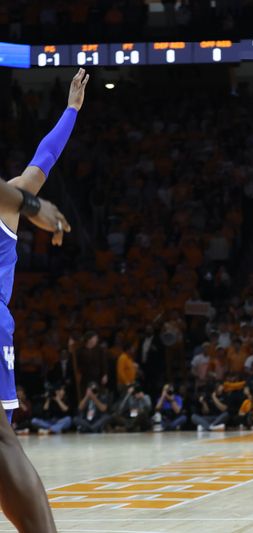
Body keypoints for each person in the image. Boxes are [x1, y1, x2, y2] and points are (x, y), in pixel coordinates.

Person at [0, 68, 86, 533]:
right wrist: (70, 110)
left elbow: (41, 163)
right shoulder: (12, 198)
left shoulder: (9, 199)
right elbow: (44, 159)